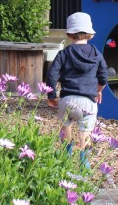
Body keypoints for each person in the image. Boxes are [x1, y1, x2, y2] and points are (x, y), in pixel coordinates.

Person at [46, 12, 109, 168]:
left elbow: (52, 74)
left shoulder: (63, 54)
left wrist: (52, 95)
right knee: (85, 133)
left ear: (69, 34)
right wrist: (98, 90)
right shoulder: (96, 54)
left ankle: (65, 161)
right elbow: (104, 77)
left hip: (67, 100)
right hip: (88, 102)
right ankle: (84, 165)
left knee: (66, 126)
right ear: (90, 34)